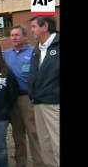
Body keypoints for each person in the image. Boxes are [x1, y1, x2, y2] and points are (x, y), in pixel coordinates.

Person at [4, 25, 45, 167]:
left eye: (17, 35)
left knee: (33, 132)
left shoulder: (34, 52)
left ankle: (39, 163)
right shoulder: (5, 54)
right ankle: (21, 163)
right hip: (12, 99)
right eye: (12, 35)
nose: (14, 37)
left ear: (24, 36)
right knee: (17, 133)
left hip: (27, 98)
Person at [29, 15, 60, 167]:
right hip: (38, 103)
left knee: (57, 144)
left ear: (45, 27)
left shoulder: (58, 45)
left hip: (55, 104)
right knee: (45, 145)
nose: (31, 30)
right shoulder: (37, 49)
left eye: (34, 26)